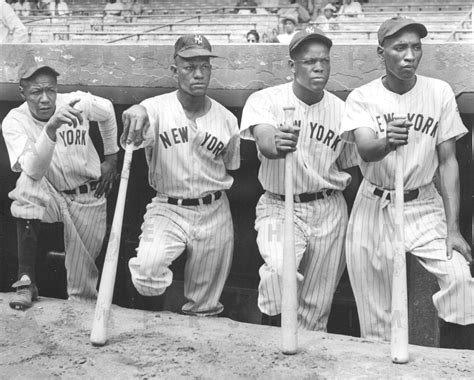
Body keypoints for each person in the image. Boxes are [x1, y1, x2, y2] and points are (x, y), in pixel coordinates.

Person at [340, 17, 473, 348]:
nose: (409, 55)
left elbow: (448, 161)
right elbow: (366, 151)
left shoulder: (438, 91)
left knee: (459, 279)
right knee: (375, 319)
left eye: (416, 47)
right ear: (381, 52)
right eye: (400, 47)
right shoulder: (362, 97)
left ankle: (451, 362)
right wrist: (386, 141)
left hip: (424, 203)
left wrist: (453, 229)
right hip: (375, 204)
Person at [240, 27, 359, 330]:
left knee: (314, 311)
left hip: (328, 209)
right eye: (309, 61)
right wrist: (275, 143)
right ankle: (271, 333)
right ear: (291, 66)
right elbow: (265, 140)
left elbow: (350, 168)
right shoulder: (265, 100)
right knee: (280, 272)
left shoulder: (343, 112)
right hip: (280, 206)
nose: (319, 67)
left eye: (324, 61)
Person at [121, 35, 240, 316]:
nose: (198, 73)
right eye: (189, 67)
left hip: (214, 210)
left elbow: (232, 165)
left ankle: (193, 344)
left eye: (205, 66)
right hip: (168, 208)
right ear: (175, 70)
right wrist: (137, 109)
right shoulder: (154, 108)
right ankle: (160, 319)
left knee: (206, 304)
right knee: (147, 275)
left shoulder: (226, 119)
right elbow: (139, 119)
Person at [2, 57, 119, 310]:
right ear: (22, 92)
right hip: (50, 195)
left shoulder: (76, 102)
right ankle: (26, 281)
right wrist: (51, 129)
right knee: (26, 185)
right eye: (36, 92)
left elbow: (108, 110)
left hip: (88, 194)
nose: (45, 98)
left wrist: (112, 156)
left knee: (82, 289)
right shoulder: (14, 120)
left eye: (50, 90)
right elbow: (32, 168)